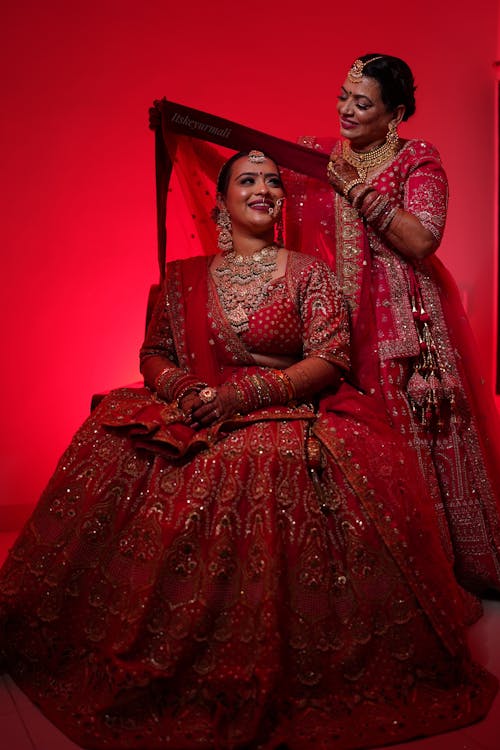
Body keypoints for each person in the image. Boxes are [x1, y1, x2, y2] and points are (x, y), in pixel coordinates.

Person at [0, 148, 497, 750]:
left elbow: (330, 358)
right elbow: (154, 351)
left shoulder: (310, 273)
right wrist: (185, 390)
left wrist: (243, 397)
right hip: (197, 402)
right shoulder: (184, 275)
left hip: (284, 409)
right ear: (221, 202)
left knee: (260, 466)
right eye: (248, 180)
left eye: (272, 182)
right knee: (110, 440)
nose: (264, 189)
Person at [285, 53, 500, 596]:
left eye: (363, 102)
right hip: (332, 319)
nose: (346, 110)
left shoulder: (416, 159)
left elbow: (424, 238)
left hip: (402, 329)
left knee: (409, 439)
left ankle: (426, 564)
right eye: (343, 96)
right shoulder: (317, 158)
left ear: (395, 113)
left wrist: (354, 187)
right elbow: (254, 181)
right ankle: (355, 566)